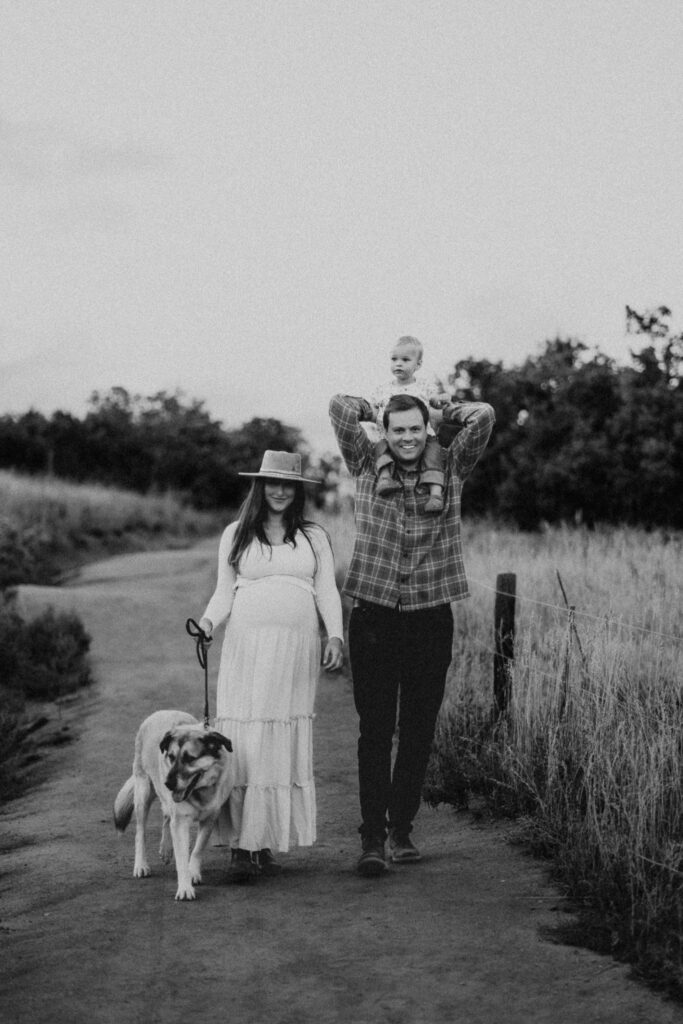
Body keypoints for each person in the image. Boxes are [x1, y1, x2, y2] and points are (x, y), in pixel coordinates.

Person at [329, 389, 494, 876]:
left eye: (415, 429)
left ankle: (402, 828)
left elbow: (483, 417)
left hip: (429, 614)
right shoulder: (364, 464)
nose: (406, 438)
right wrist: (375, 405)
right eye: (397, 429)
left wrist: (443, 411)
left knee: (419, 729)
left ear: (427, 431)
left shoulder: (452, 468)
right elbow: (340, 407)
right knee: (375, 729)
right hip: (375, 614)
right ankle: (371, 838)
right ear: (385, 430)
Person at [197, 450, 344, 882]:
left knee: (277, 738)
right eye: (272, 483)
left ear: (297, 490)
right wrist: (207, 624)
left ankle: (265, 842)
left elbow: (327, 591)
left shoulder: (314, 537)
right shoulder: (236, 534)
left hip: (296, 650)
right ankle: (242, 847)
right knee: (246, 739)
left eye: (288, 484)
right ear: (259, 487)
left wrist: (335, 635)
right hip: (247, 647)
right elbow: (225, 592)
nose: (279, 490)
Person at [369, 335, 448, 512]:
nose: (398, 364)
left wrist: (440, 399)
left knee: (433, 455)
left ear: (418, 365)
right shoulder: (383, 388)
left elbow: (435, 402)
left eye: (405, 360)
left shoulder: (424, 387)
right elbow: (371, 408)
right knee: (380, 447)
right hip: (389, 435)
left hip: (423, 435)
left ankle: (435, 494)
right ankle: (384, 478)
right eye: (394, 359)